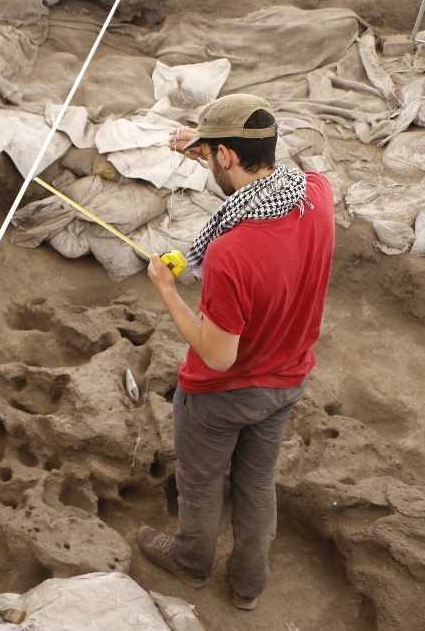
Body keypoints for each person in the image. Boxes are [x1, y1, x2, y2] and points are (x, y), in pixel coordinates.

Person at [137, 94, 335, 611]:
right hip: (288, 380)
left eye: (210, 157)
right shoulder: (316, 194)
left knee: (200, 484)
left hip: (222, 393)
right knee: (255, 484)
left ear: (225, 155)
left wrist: (166, 290)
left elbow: (218, 355)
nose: (206, 164)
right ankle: (249, 584)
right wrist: (205, 146)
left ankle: (191, 563)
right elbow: (268, 178)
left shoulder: (232, 252)